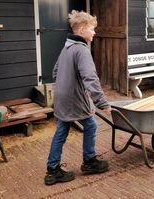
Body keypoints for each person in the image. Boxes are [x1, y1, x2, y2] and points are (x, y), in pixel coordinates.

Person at [44, 10, 112, 186]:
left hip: (62, 97)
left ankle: (52, 171)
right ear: (82, 30)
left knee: (61, 131)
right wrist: (102, 102)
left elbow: (55, 72)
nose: (95, 32)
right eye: (92, 29)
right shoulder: (82, 50)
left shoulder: (66, 48)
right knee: (91, 124)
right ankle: (89, 162)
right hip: (74, 99)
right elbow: (90, 78)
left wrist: (66, 85)